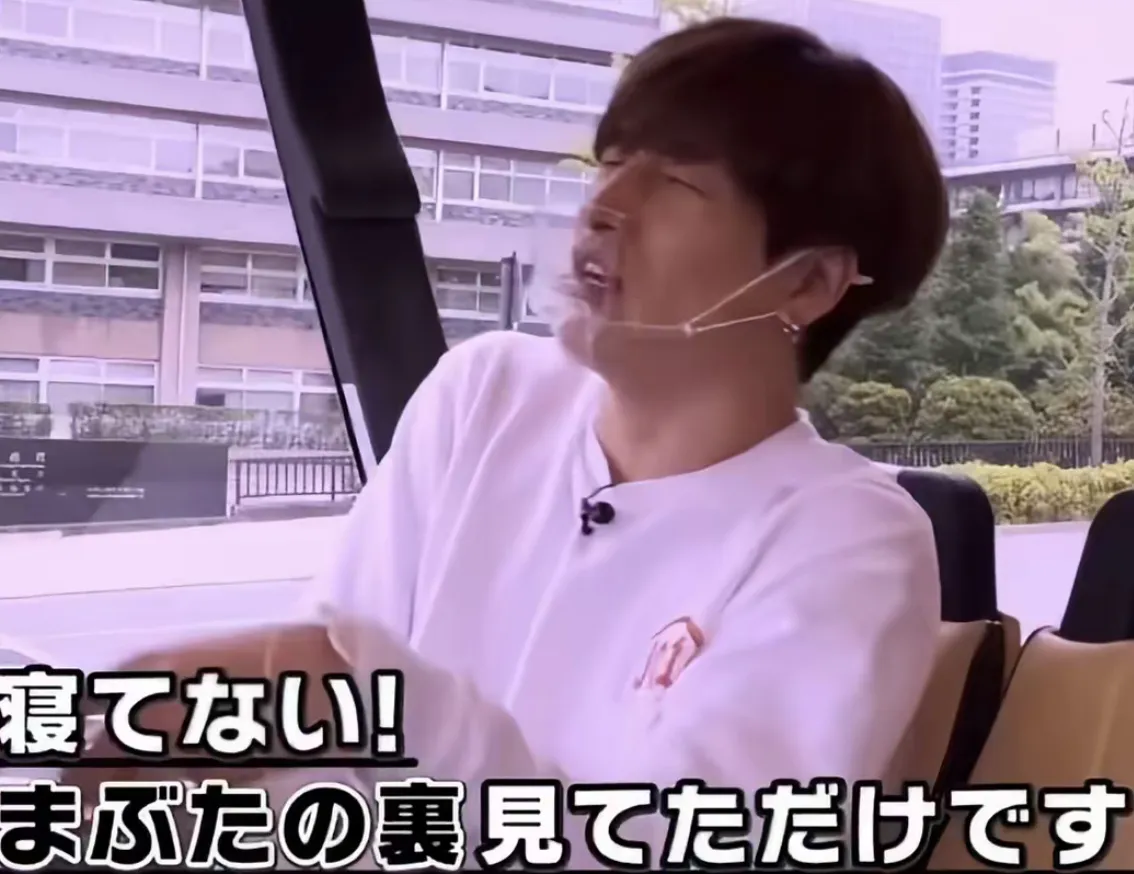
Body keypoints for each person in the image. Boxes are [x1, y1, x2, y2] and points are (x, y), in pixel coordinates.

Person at [69, 14, 949, 865]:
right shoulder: (484, 397)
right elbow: (330, 754)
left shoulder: (849, 540)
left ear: (808, 283)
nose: (605, 205)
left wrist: (365, 700)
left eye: (677, 182)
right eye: (611, 163)